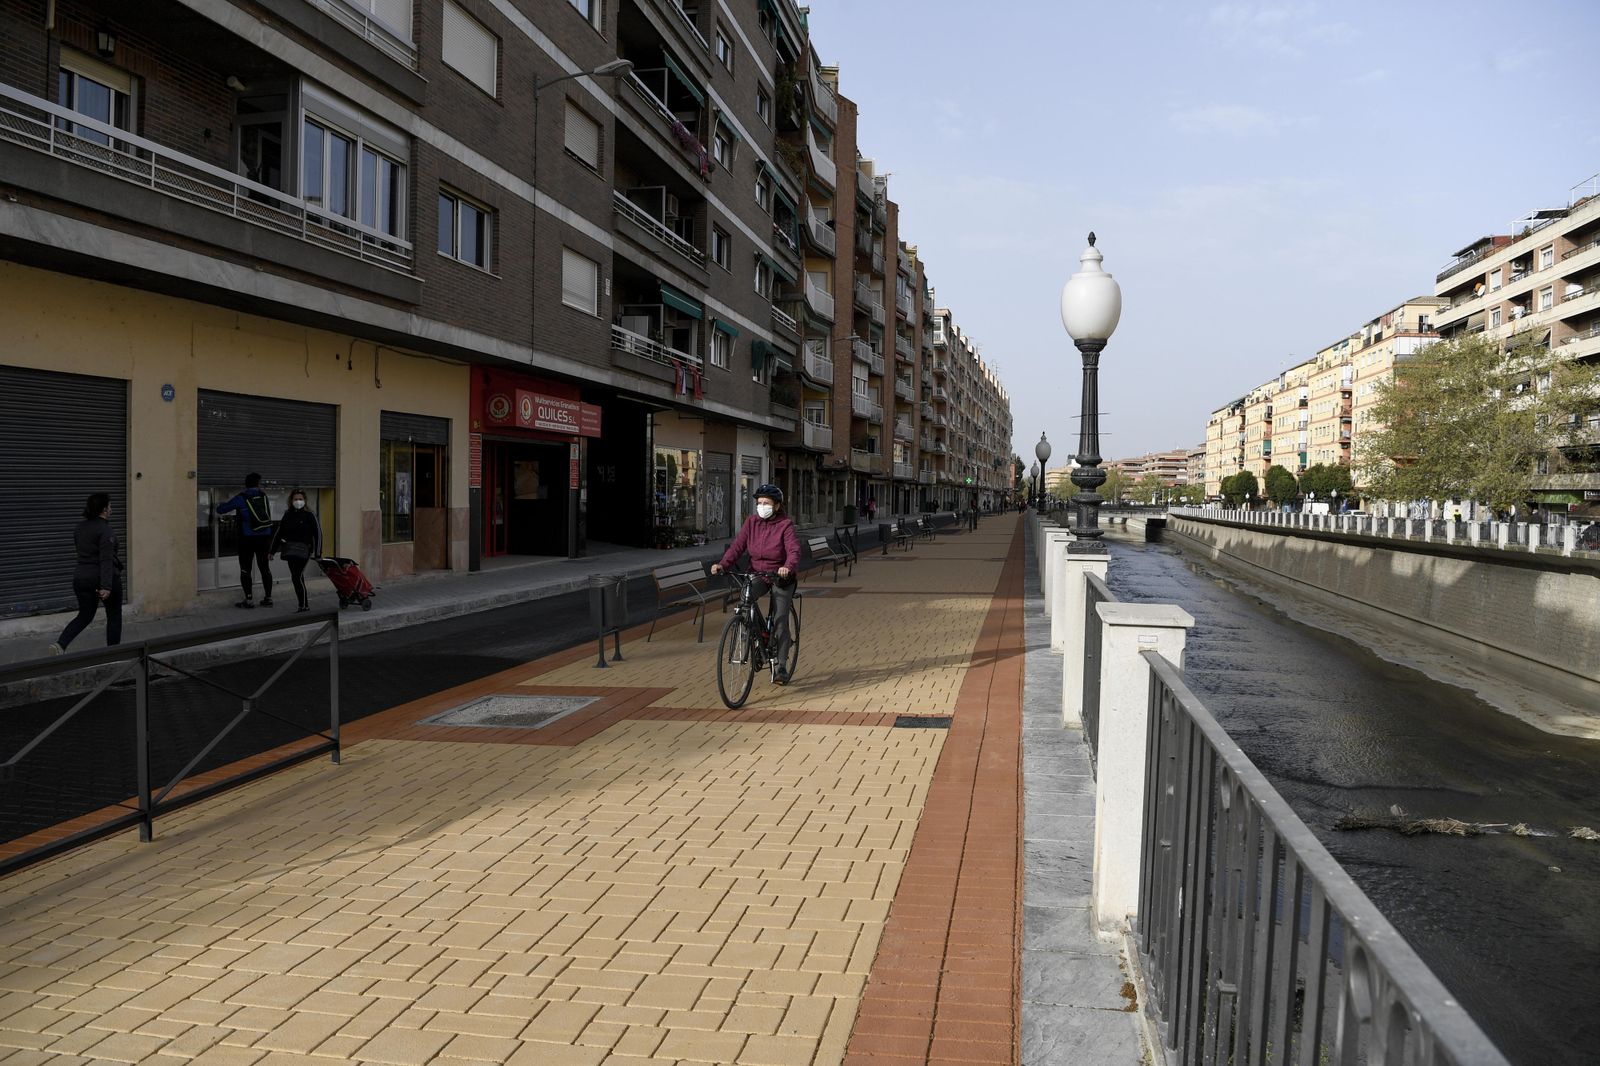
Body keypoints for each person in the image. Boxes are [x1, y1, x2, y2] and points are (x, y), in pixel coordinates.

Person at [711, 484, 801, 685]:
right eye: (759, 503)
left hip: (781, 576)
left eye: (766, 503)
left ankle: (781, 667)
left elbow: (794, 550)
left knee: (780, 619)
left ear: (777, 506)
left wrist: (787, 566)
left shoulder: (785, 525)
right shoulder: (751, 522)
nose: (761, 506)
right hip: (758, 573)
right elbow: (737, 547)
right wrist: (722, 564)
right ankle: (752, 636)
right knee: (745, 600)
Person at [49, 493, 123, 654]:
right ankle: (114, 653)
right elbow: (106, 559)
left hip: (81, 578)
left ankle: (60, 645)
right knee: (114, 615)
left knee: (85, 615)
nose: (111, 509)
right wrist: (106, 586)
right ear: (104, 509)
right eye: (110, 506)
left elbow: (82, 552)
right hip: (105, 577)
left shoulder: (79, 527)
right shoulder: (106, 530)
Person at [217, 472, 275, 608]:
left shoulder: (241, 498)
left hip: (247, 539)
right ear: (258, 483)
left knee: (245, 569)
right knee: (265, 568)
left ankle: (249, 600)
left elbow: (221, 510)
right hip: (265, 537)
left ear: (246, 484)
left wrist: (220, 503)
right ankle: (268, 598)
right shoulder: (264, 496)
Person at [269, 489, 322, 612]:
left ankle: (303, 606)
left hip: (304, 550)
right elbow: (279, 533)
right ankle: (303, 604)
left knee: (297, 576)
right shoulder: (287, 515)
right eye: (295, 499)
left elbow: (318, 534)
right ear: (291, 501)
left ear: (305, 501)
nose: (298, 501)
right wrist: (272, 551)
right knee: (296, 577)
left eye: (300, 499)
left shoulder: (310, 515)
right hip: (290, 550)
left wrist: (318, 553)